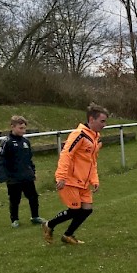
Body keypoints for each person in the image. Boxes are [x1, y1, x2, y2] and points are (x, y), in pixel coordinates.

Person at [42, 103, 108, 245]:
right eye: (102, 121)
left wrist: (94, 179)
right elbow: (66, 154)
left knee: (87, 209)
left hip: (83, 182)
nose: (104, 125)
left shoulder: (95, 138)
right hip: (70, 180)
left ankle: (67, 235)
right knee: (75, 210)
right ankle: (49, 225)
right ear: (91, 119)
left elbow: (92, 161)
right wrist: (61, 176)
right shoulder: (79, 134)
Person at [0, 115, 45, 228]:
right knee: (15, 199)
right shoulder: (6, 142)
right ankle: (15, 220)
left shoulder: (26, 141)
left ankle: (35, 216)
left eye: (24, 128)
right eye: (20, 128)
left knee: (33, 196)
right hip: (13, 177)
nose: (23, 131)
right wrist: (2, 176)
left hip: (26, 175)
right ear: (12, 127)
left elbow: (29, 159)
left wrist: (33, 171)